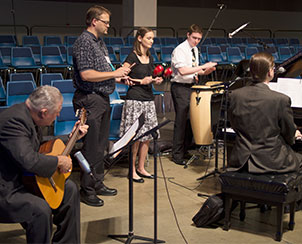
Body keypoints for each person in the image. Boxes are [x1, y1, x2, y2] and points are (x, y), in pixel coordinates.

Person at [0, 85, 88, 243]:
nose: (59, 115)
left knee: (70, 189)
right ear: (44, 112)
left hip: (24, 178)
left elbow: (41, 148)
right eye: (57, 112)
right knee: (40, 210)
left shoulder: (31, 116)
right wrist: (58, 161)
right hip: (6, 187)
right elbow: (29, 160)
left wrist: (72, 137)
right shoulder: (14, 121)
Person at [72, 5, 131, 206]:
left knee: (100, 146)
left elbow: (105, 69)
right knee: (91, 147)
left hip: (103, 97)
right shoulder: (84, 43)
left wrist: (120, 77)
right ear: (94, 21)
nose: (108, 25)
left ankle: (97, 183)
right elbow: (86, 74)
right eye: (105, 22)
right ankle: (86, 189)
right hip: (89, 98)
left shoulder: (99, 43)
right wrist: (114, 74)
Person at [228, 52, 302, 173]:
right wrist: (294, 134)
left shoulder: (235, 95)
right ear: (270, 72)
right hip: (271, 161)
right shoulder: (281, 99)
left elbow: (234, 124)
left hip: (241, 158)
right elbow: (288, 132)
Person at [120, 27, 163, 183]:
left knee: (147, 136)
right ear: (140, 38)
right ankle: (131, 170)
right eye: (149, 38)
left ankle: (141, 167)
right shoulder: (132, 57)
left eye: (152, 38)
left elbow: (149, 77)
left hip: (148, 99)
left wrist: (154, 80)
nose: (151, 41)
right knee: (136, 137)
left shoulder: (150, 58)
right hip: (135, 100)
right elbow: (120, 77)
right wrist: (140, 81)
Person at [170, 24, 217, 165]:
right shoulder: (180, 50)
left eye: (199, 39)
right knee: (181, 120)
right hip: (180, 87)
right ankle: (177, 154)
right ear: (188, 35)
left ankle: (185, 149)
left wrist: (205, 71)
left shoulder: (194, 49)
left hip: (191, 85)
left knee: (191, 119)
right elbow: (183, 71)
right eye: (194, 38)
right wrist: (202, 66)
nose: (196, 41)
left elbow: (194, 70)